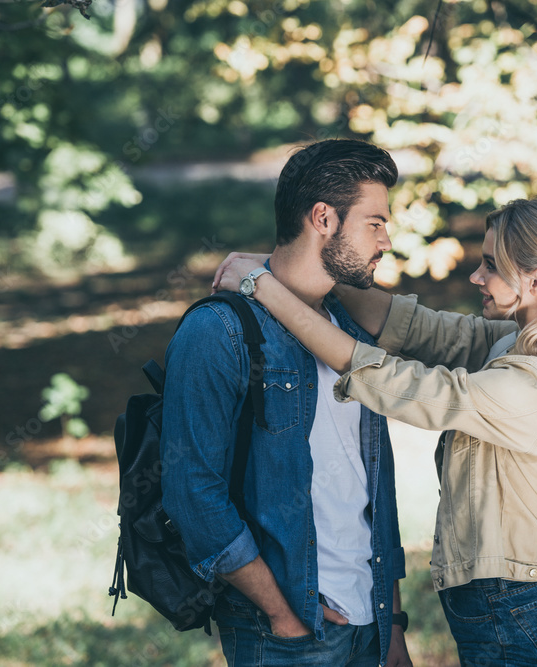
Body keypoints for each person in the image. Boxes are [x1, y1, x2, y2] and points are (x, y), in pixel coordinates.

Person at [213, 197, 537, 666]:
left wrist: (262, 286)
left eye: (490, 265)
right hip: (503, 604)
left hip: (510, 611)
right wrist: (299, 271)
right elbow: (420, 329)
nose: (476, 277)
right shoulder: (525, 340)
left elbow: (394, 383)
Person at [162, 139, 413, 667]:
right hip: (288, 637)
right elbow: (192, 491)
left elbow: (374, 482)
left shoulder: (348, 332)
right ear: (323, 217)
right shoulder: (218, 331)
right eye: (375, 223)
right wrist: (283, 615)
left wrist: (391, 623)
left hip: (370, 622)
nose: (387, 240)